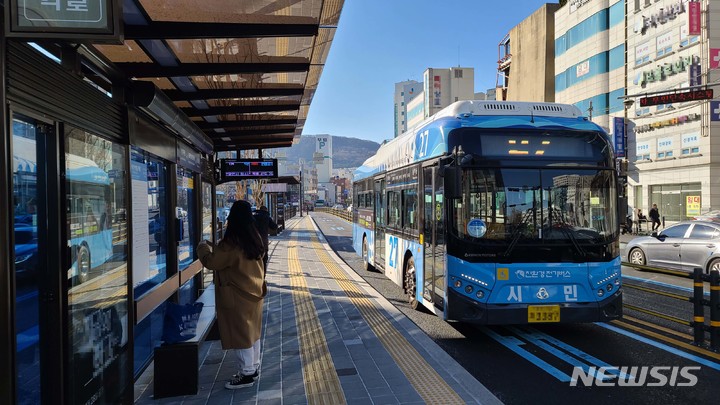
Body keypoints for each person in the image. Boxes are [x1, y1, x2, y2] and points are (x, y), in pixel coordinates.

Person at [197, 200, 266, 389]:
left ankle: (246, 374)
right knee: (253, 333)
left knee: (241, 334)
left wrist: (202, 247)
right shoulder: (254, 237)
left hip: (237, 295)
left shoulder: (232, 242)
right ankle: (254, 367)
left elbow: (213, 262)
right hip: (255, 292)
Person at [253, 205, 278, 274]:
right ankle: (262, 278)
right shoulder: (267, 217)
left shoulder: (253, 216)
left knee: (254, 260)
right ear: (266, 210)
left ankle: (255, 276)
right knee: (264, 260)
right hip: (263, 242)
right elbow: (274, 227)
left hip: (253, 242)